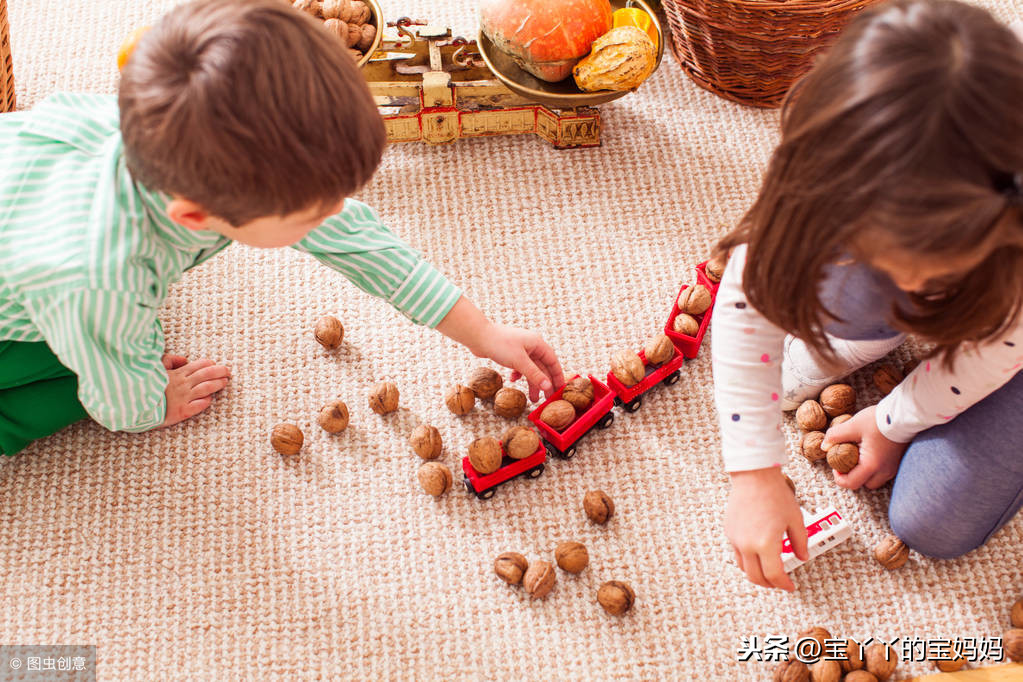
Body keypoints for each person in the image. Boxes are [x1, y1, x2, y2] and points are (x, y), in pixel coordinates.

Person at [0, 0, 564, 456]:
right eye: (311, 214)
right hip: (36, 296)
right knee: (88, 375)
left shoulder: (158, 136)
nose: (333, 216)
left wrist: (485, 334)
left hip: (32, 227)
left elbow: (357, 240)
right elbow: (116, 399)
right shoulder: (101, 283)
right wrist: (150, 397)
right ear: (194, 217)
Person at [711, 0, 1023, 591]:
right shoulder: (832, 168)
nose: (906, 285)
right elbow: (747, 300)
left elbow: (995, 351)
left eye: (930, 266)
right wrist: (753, 472)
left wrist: (893, 419)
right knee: (834, 278)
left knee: (930, 522)